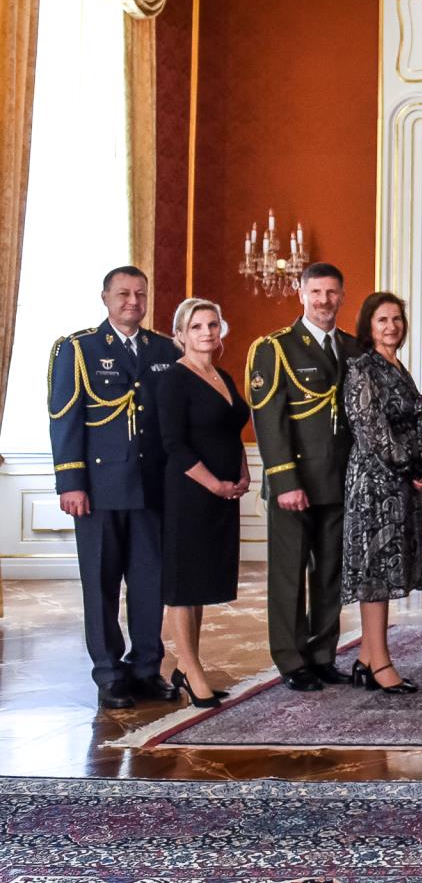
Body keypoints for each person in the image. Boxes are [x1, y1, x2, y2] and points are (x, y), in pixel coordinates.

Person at [47, 266, 182, 709]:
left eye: (140, 294)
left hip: (150, 489)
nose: (132, 302)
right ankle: (108, 673)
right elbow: (65, 419)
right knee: (100, 584)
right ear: (105, 298)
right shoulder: (78, 349)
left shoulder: (164, 349)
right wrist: (71, 482)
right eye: (123, 293)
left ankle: (146, 668)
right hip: (100, 491)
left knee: (149, 584)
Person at [246, 261, 359, 692]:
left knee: (331, 572)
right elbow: (269, 420)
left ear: (341, 296)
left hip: (340, 481)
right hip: (295, 484)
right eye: (316, 292)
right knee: (290, 575)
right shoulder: (275, 348)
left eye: (331, 293)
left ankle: (323, 654)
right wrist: (285, 481)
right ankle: (291, 659)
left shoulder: (352, 348)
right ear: (301, 294)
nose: (324, 301)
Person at [340, 293, 422, 694]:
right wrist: (412, 467)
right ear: (369, 325)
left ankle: (366, 659)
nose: (391, 326)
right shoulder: (362, 368)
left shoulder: (398, 367)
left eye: (396, 319)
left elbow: (414, 424)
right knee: (376, 575)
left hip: (403, 483)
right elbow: (373, 432)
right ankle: (380, 662)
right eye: (382, 320)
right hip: (375, 486)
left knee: (388, 571)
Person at [157, 298, 250, 708]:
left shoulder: (222, 375)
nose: (207, 332)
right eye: (196, 326)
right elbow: (174, 445)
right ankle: (191, 671)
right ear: (180, 334)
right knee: (183, 585)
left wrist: (243, 473)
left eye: (213, 324)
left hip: (224, 493)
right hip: (190, 493)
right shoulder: (174, 379)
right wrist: (214, 484)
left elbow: (232, 432)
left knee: (200, 582)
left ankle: (188, 665)